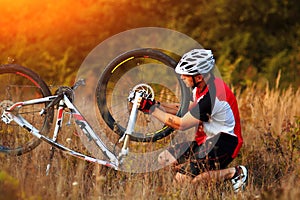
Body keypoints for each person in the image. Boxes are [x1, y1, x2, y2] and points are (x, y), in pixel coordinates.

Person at [136, 49, 248, 192]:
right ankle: (203, 174)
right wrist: (156, 104)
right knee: (165, 159)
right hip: (207, 139)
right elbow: (186, 108)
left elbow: (181, 124)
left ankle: (236, 173)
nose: (182, 77)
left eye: (185, 75)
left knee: (183, 180)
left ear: (199, 77)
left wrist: (151, 109)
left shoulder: (212, 97)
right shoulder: (202, 86)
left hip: (225, 142)